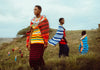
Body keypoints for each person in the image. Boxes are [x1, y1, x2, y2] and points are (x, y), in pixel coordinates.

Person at [28, 5, 49, 70]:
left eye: (35, 9)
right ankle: (42, 68)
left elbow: (45, 32)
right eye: (34, 9)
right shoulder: (33, 21)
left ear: (40, 11)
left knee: (37, 58)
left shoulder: (44, 20)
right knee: (31, 59)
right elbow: (31, 32)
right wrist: (29, 43)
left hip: (40, 42)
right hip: (33, 42)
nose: (34, 11)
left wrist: (45, 42)